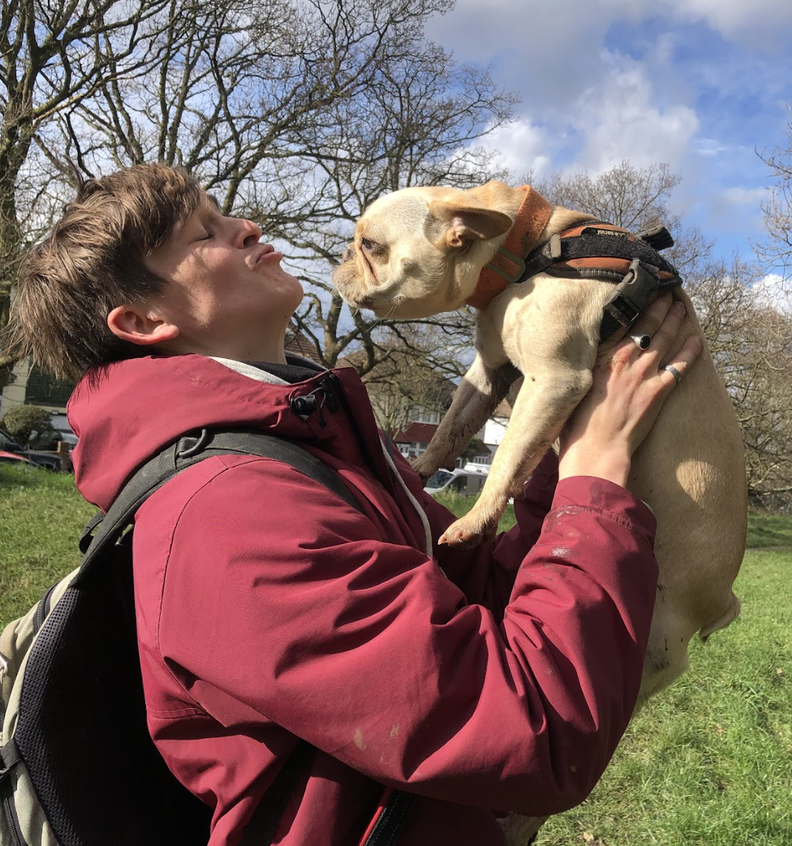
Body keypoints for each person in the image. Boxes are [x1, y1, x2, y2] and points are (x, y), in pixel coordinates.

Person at [5, 164, 701, 846]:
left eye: (224, 212)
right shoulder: (229, 514)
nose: (247, 227)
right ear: (144, 319)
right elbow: (533, 731)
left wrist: (562, 437)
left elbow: (483, 593)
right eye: (203, 235)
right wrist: (595, 480)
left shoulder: (314, 443)